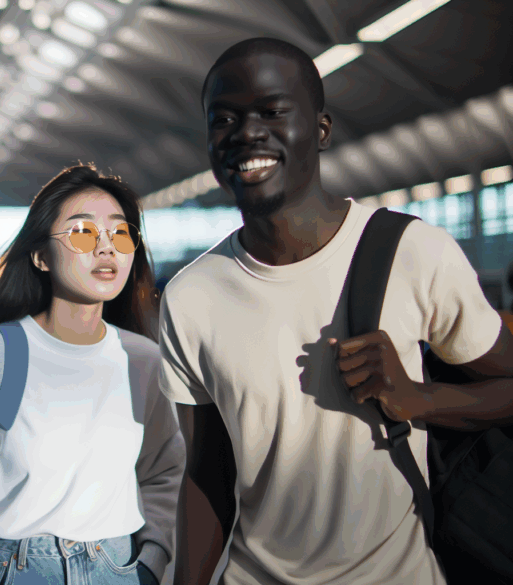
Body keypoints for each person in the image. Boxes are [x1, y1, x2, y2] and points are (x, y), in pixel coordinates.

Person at [161, 37, 513, 585]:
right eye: (223, 118)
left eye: (272, 112)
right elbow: (207, 473)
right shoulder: (189, 297)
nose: (246, 132)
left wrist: (421, 400)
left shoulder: (411, 251)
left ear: (321, 130)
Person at [0, 164, 186, 585]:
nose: (106, 248)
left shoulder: (142, 360)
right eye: (83, 233)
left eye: (120, 234)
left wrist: (151, 561)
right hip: (12, 571)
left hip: (117, 570)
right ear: (40, 256)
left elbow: (166, 471)